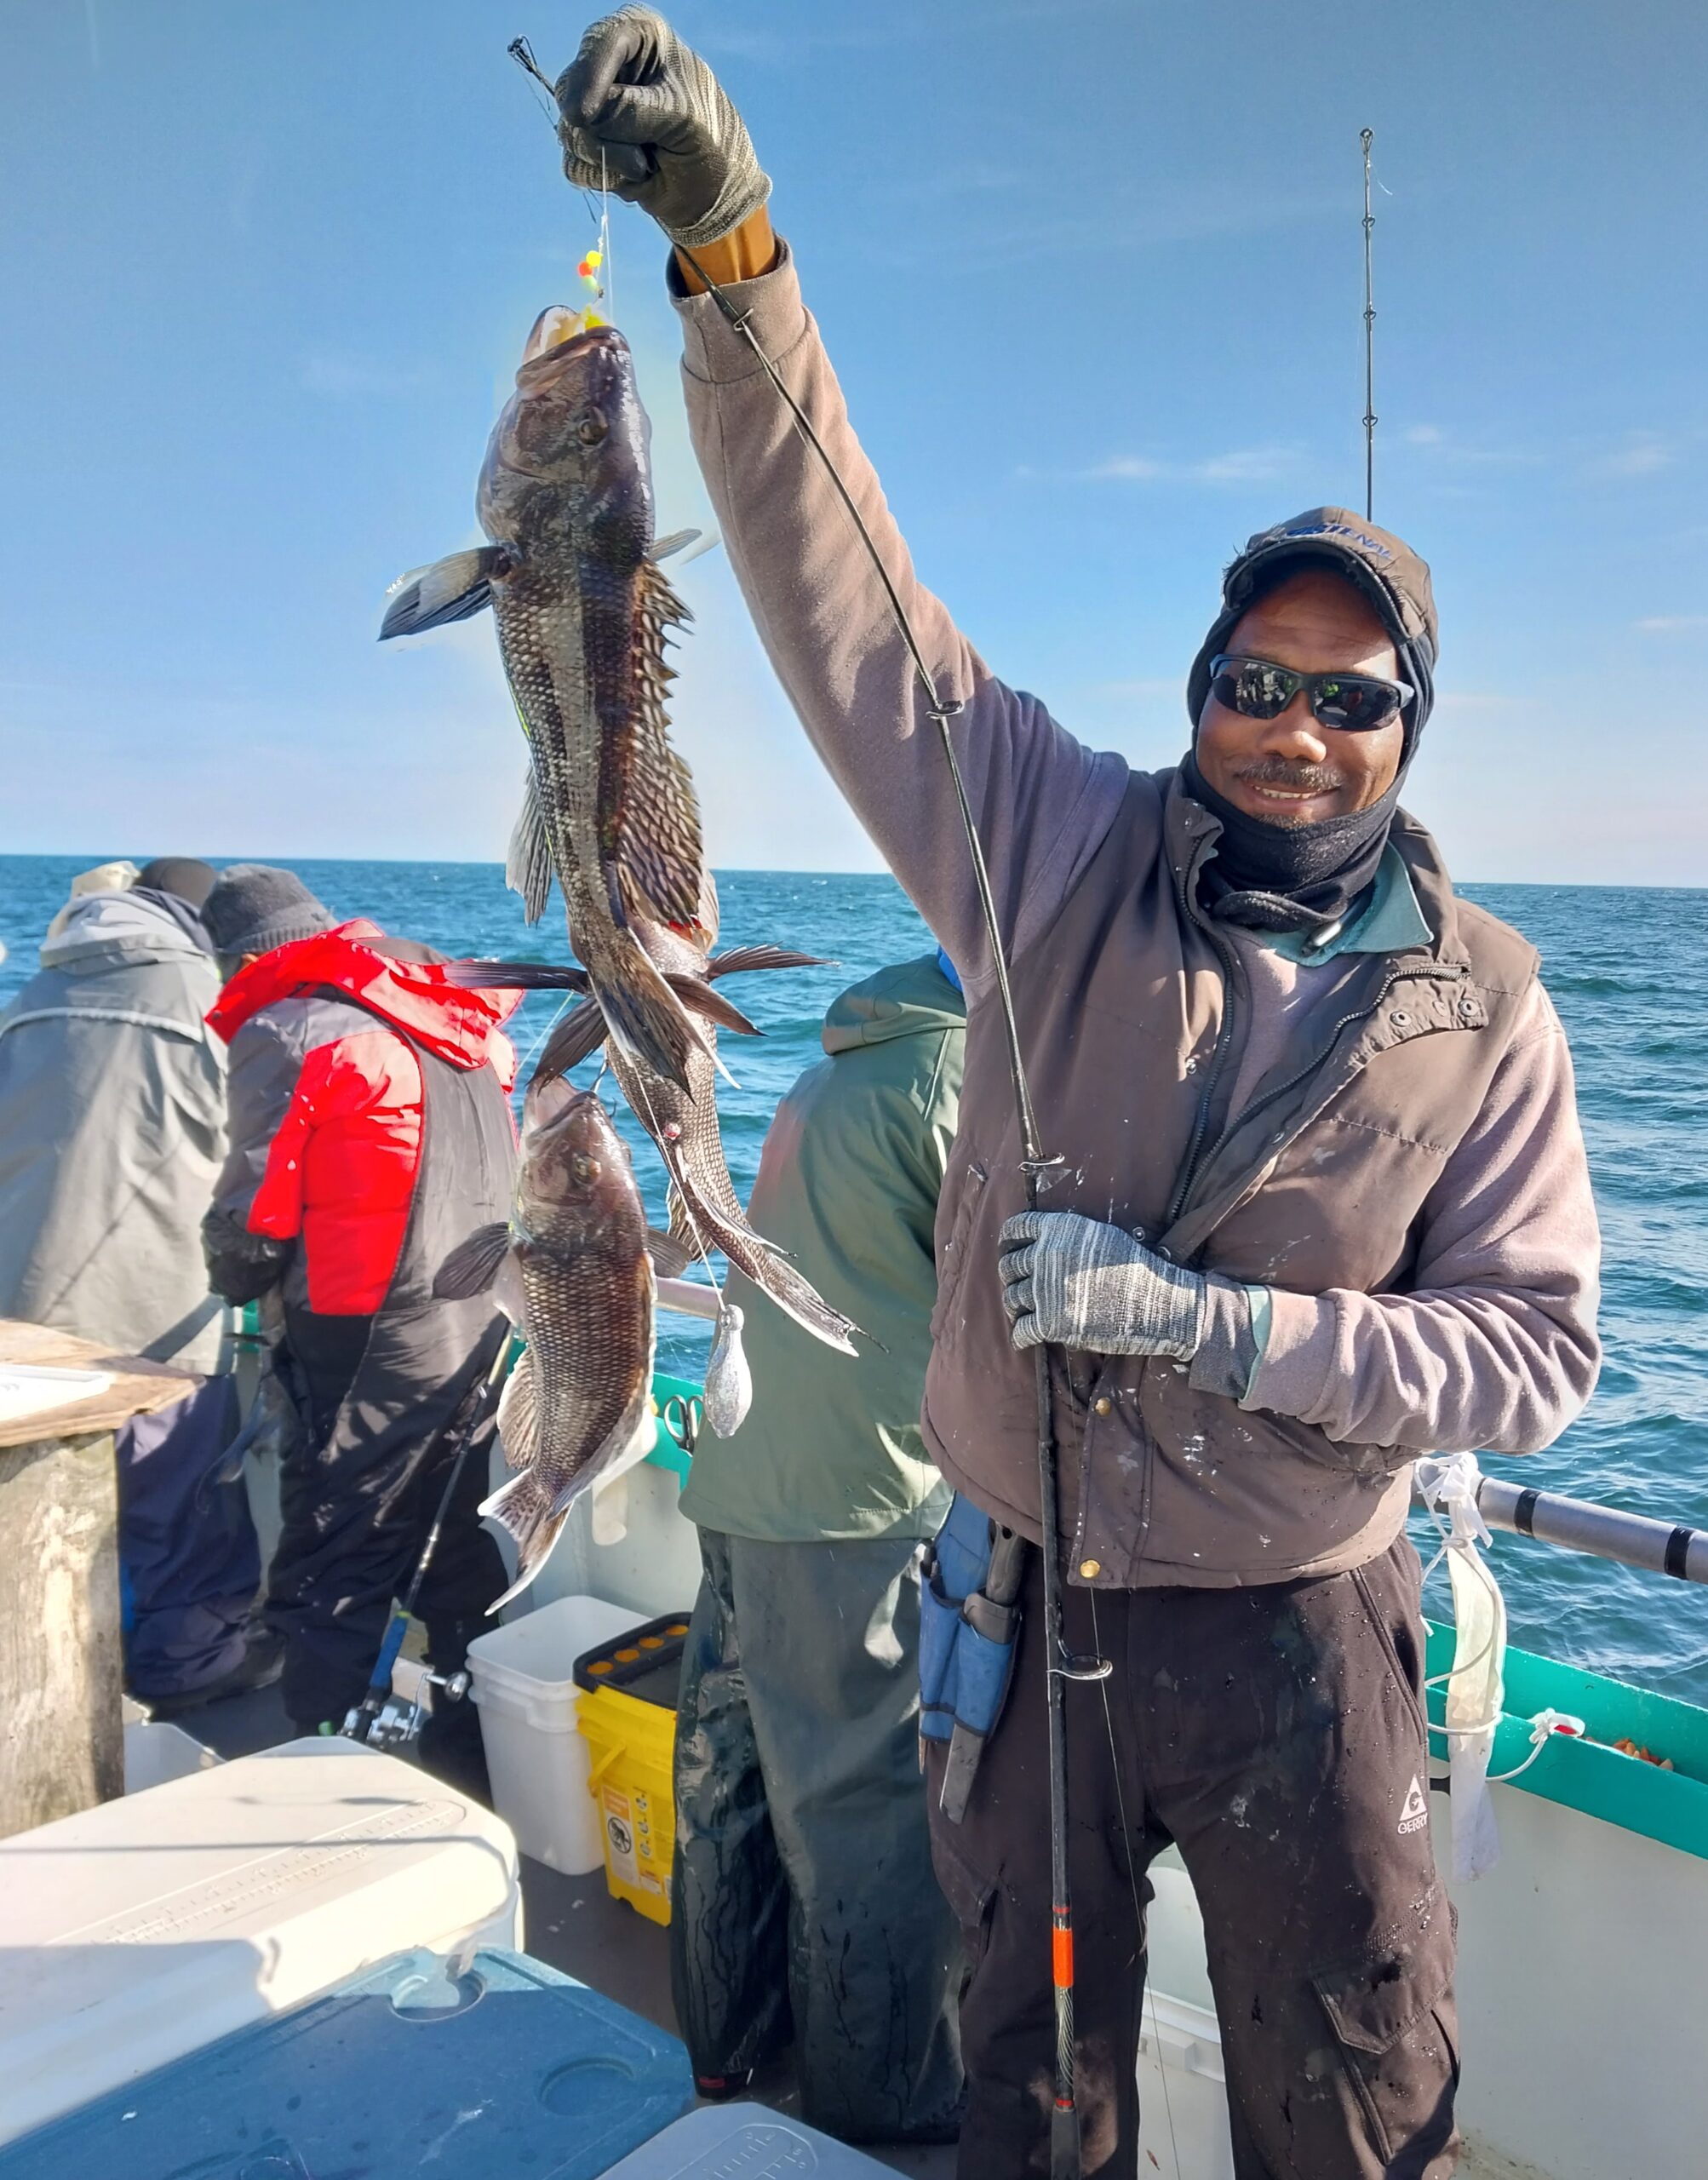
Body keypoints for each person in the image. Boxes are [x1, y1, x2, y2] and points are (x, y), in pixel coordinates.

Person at [553, 20, 1603, 2177]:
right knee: (1026, 2093)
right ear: (1192, 684)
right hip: (1017, 1610)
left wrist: (1213, 1326)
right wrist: (732, 254)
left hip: (1306, 1629)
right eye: (1251, 681)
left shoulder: (1484, 999)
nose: (1290, 729)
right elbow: (844, 588)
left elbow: (1533, 1354)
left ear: (1408, 729)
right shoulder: (1041, 839)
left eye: (1346, 698)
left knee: (1351, 2088)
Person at [670, 949, 966, 2143]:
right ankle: (877, 2116)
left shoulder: (841, 1062)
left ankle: (727, 2050)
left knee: (729, 1774)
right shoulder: (963, 1078)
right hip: (860, 1503)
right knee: (866, 1812)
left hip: (749, 1474)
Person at [199, 865, 519, 1792]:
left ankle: (313, 1773)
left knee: (338, 1549)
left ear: (248, 957)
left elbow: (252, 1216)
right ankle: (468, 1757)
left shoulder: (290, 1027)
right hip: (475, 1320)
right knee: (456, 1539)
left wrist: (236, 1280)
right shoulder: (451, 1016)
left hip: (363, 1328)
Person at [0, 856, 273, 1713]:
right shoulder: (210, 1000)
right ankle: (185, 1667)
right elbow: (255, 1152)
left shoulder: (34, 994)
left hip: (20, 1295)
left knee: (36, 1512)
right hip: (154, 1295)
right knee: (178, 1493)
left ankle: (42, 1676)